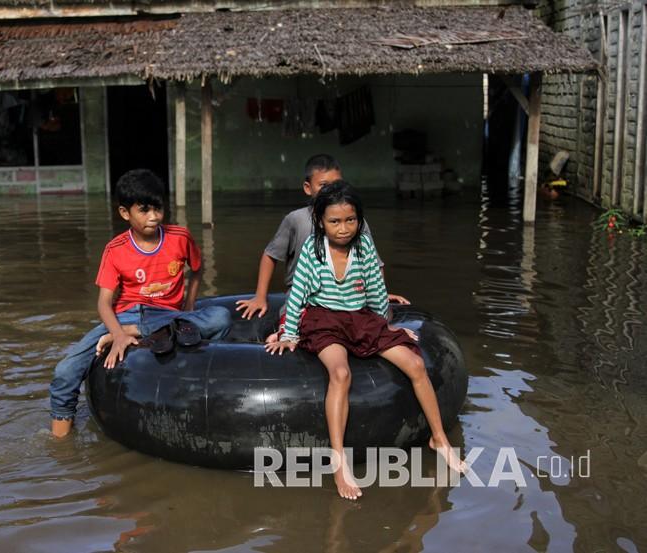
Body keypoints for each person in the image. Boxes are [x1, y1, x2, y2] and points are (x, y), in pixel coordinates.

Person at [264, 181, 465, 500]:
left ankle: (439, 438)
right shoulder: (312, 249)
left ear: (359, 219)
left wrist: (391, 331)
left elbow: (375, 294)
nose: (343, 228)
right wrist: (288, 333)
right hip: (322, 319)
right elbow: (299, 293)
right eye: (334, 221)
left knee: (414, 363)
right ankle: (339, 462)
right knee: (341, 373)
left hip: (360, 319)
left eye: (350, 220)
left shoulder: (365, 247)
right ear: (320, 221)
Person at [49, 169, 232, 438]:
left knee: (220, 317)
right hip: (125, 317)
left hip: (167, 317)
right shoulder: (115, 249)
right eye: (144, 210)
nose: (154, 216)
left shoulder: (179, 237)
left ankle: (143, 332)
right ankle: (60, 446)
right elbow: (103, 304)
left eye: (158, 208)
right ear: (125, 213)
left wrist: (189, 306)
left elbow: (197, 269)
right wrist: (119, 334)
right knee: (64, 372)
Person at [235, 154, 408, 336]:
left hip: (349, 291)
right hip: (305, 293)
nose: (331, 190)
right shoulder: (297, 220)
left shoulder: (356, 222)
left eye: (337, 184)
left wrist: (378, 293)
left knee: (381, 318)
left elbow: (373, 263)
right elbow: (270, 255)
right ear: (308, 188)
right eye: (324, 185)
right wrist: (260, 297)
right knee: (295, 323)